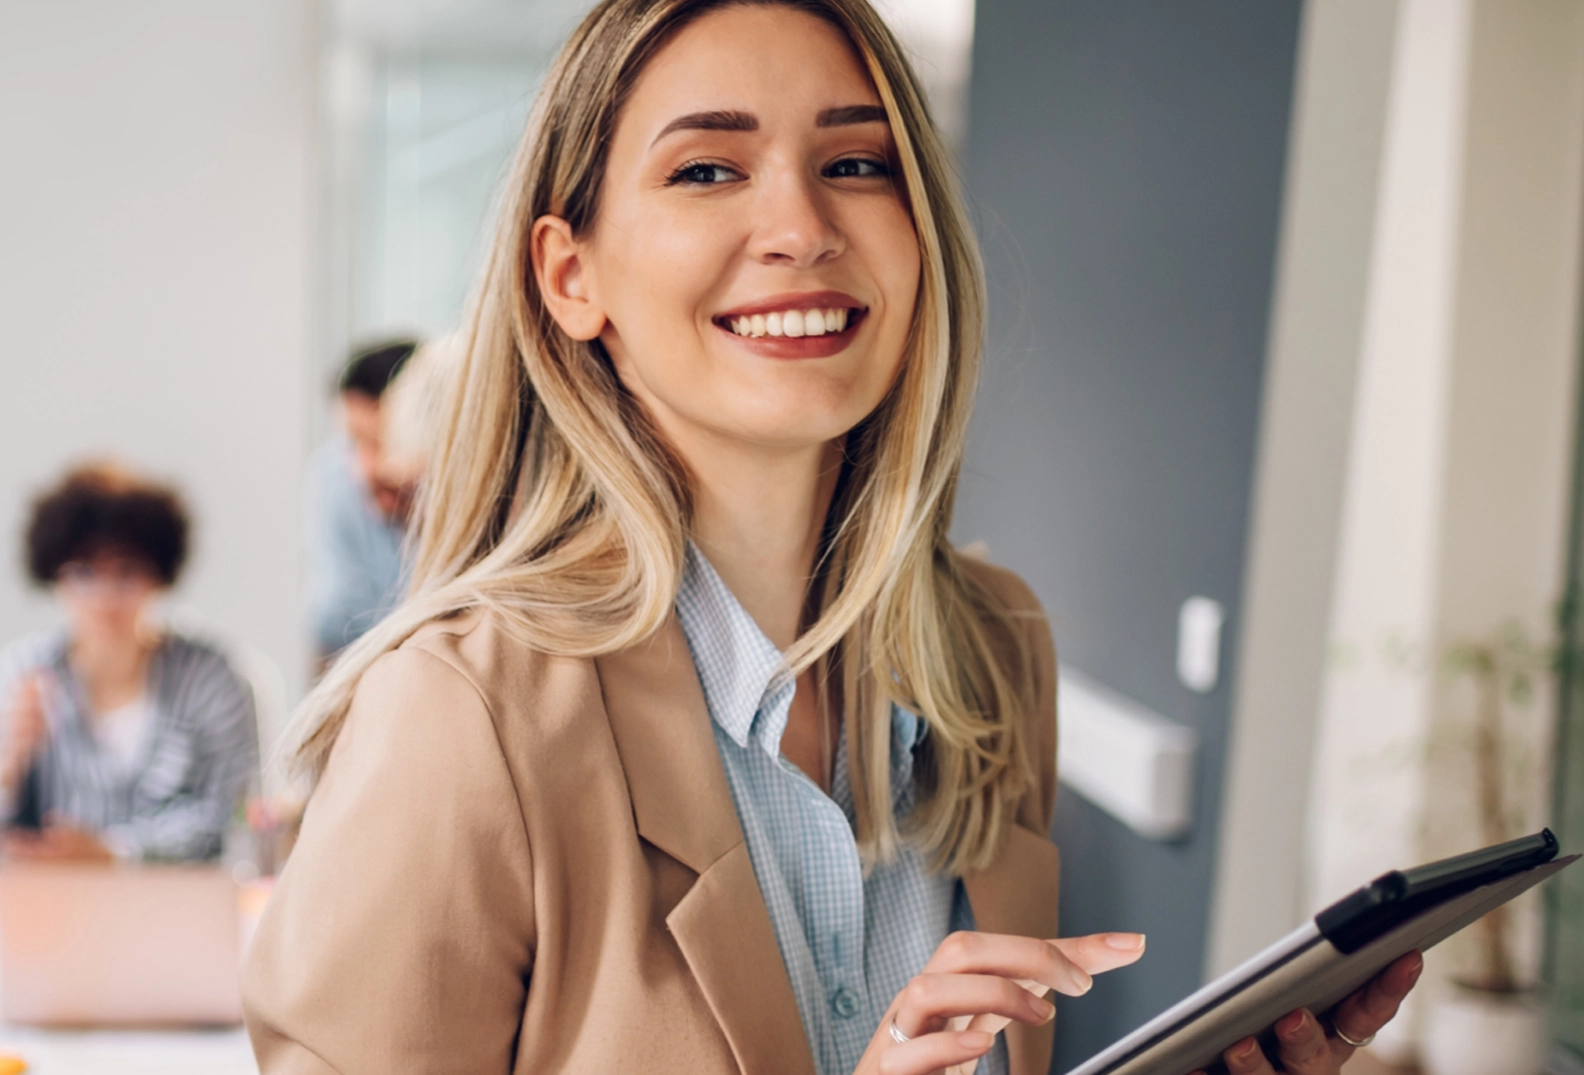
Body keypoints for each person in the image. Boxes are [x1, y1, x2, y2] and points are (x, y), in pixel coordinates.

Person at [242, 2, 1421, 1073]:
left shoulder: (995, 649)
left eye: (856, 162)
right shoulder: (461, 712)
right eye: (707, 169)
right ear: (570, 274)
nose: (801, 226)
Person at [0, 464, 259, 862]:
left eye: (126, 573)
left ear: (157, 575)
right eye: (84, 573)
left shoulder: (212, 680)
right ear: (55, 575)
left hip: (180, 908)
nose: (105, 597)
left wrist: (113, 851)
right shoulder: (20, 676)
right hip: (54, 910)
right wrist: (7, 768)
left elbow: (234, 817)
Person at [305, 337, 419, 661]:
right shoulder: (333, 479)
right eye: (355, 442)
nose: (368, 468)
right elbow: (333, 624)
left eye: (382, 442)